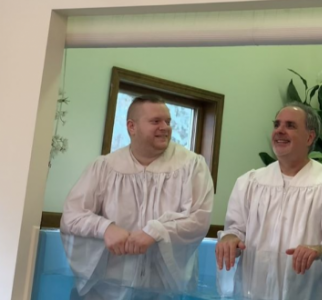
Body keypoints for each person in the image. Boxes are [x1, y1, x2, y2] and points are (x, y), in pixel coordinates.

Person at [60, 94, 214, 299]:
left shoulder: (192, 165)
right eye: (155, 121)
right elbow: (72, 215)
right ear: (131, 127)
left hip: (163, 289)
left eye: (168, 121)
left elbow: (199, 218)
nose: (165, 127)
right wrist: (105, 228)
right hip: (107, 289)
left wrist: (156, 231)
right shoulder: (104, 167)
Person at [215, 102, 322, 300]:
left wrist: (318, 250)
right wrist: (229, 240)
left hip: (307, 294)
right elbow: (235, 230)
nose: (280, 131)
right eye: (277, 125)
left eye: (290, 126)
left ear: (309, 137)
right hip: (253, 293)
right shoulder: (250, 182)